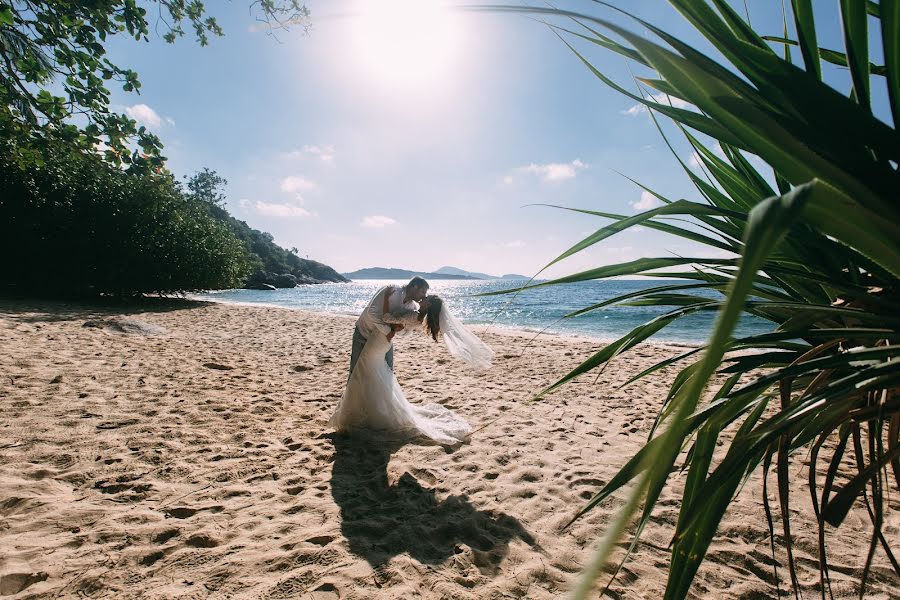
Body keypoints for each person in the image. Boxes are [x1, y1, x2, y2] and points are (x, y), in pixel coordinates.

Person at [330, 294, 494, 446]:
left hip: (379, 342)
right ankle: (368, 411)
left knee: (368, 371)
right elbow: (397, 323)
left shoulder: (415, 316)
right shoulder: (416, 314)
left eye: (425, 298)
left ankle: (368, 414)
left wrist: (387, 298)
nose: (422, 297)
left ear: (428, 305)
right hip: (381, 341)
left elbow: (387, 317)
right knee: (371, 373)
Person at [349, 277, 429, 377]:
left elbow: (405, 332)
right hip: (364, 332)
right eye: (422, 292)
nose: (424, 296)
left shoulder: (412, 307)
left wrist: (397, 329)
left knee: (388, 371)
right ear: (414, 287)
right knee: (356, 370)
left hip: (383, 339)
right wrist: (388, 331)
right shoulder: (392, 291)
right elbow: (371, 312)